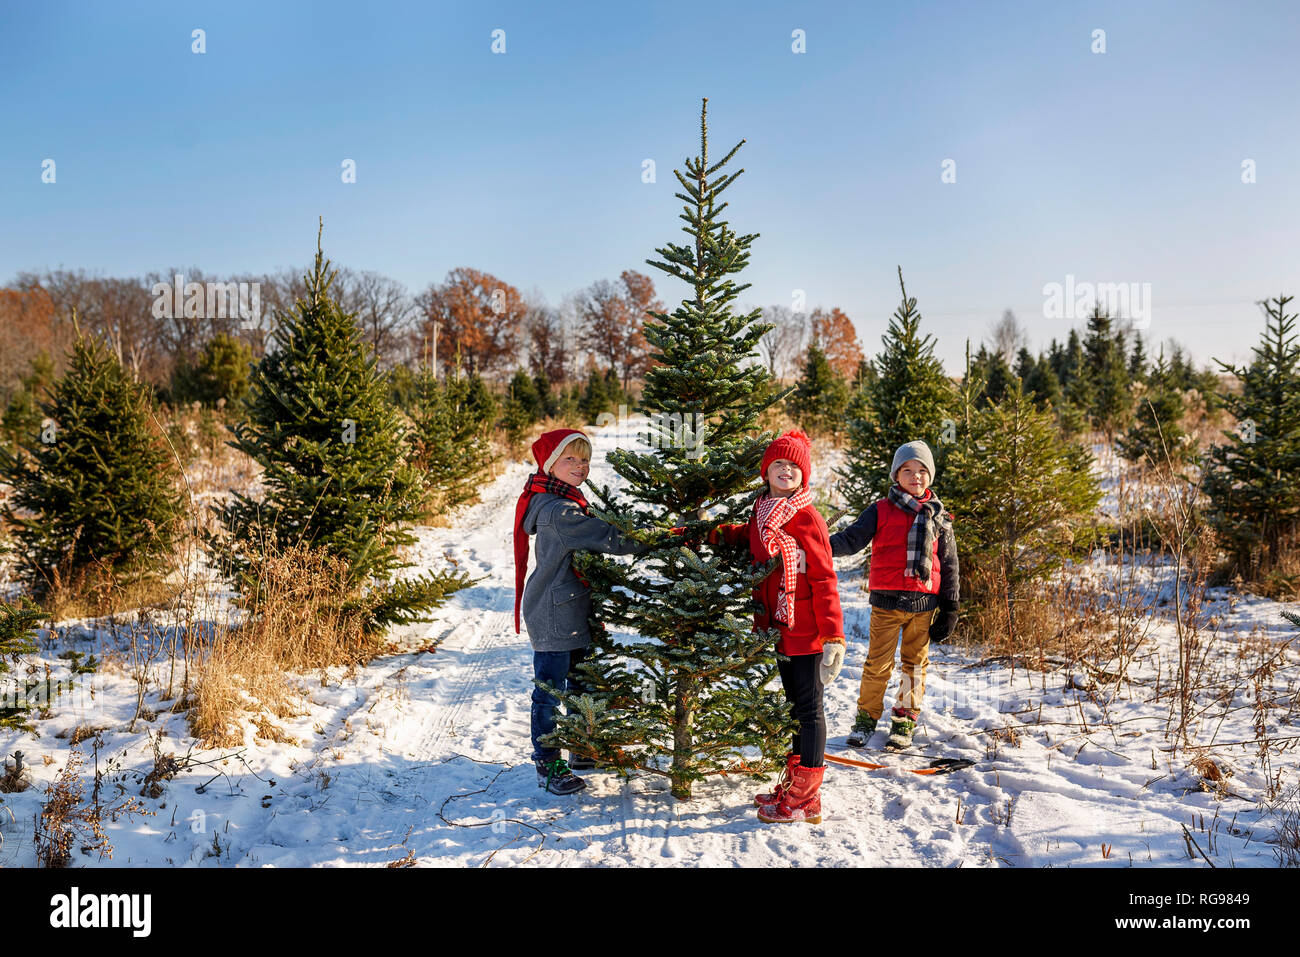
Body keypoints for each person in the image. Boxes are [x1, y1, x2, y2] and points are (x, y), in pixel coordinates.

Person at [708, 430, 845, 824]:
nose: (786, 471)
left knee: (809, 709)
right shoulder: (763, 511)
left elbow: (824, 580)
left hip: (806, 630)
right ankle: (795, 783)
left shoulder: (808, 519)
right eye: (778, 464)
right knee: (793, 709)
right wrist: (710, 533)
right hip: (778, 628)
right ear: (766, 471)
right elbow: (747, 538)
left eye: (794, 466)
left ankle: (806, 797)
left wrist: (834, 635)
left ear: (804, 476)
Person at [514, 428, 646, 795]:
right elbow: (610, 537)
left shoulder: (561, 499)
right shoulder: (559, 510)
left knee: (581, 683)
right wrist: (656, 536)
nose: (580, 466)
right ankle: (548, 763)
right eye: (569, 458)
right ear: (550, 464)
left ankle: (582, 750)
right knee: (550, 691)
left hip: (570, 611)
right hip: (554, 614)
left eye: (584, 459)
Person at [829, 440, 959, 751]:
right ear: (895, 475)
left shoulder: (940, 517)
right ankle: (865, 719)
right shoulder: (880, 510)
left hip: (923, 605)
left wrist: (951, 607)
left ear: (931, 476)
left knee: (915, 665)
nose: (916, 476)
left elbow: (950, 564)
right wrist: (820, 542)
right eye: (908, 470)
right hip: (886, 604)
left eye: (923, 471)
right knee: (877, 664)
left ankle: (904, 720)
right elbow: (852, 539)